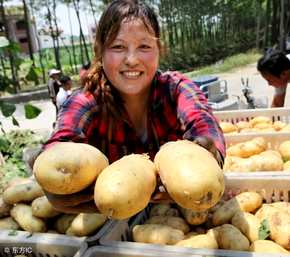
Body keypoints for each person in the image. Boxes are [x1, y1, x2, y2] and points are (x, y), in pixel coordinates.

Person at [39, 0, 225, 213]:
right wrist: (53, 181)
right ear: (100, 52)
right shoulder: (86, 101)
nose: (131, 60)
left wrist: (209, 153)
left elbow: (203, 123)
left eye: (144, 46)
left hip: (180, 210)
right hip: (112, 220)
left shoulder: (176, 89)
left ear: (159, 50)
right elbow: (62, 141)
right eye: (118, 47)